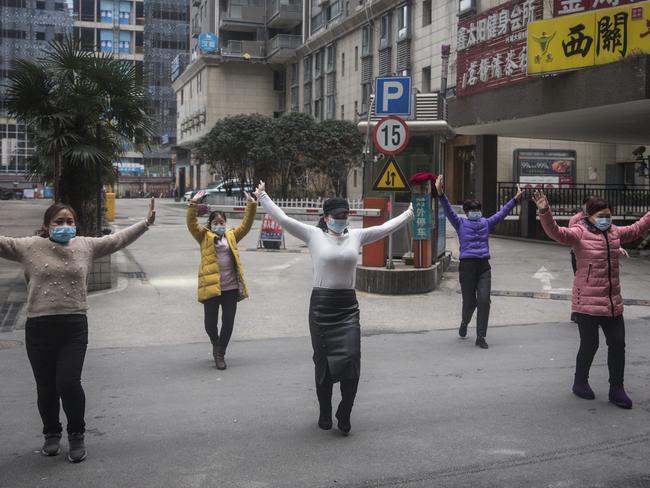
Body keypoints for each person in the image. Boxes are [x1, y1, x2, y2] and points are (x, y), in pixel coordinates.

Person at [0, 199, 155, 463]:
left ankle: (76, 435)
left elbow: (118, 240)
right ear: (47, 226)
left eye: (69, 221)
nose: (65, 226)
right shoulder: (30, 247)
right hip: (39, 326)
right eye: (58, 222)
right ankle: (51, 434)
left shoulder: (86, 246)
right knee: (46, 388)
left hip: (73, 327)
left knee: (68, 383)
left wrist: (146, 223)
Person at [254, 181, 413, 435]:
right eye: (337, 216)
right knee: (324, 364)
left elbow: (384, 228)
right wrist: (263, 196)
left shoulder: (357, 236)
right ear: (326, 217)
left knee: (352, 362)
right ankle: (325, 411)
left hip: (347, 308)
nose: (342, 220)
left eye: (345, 216)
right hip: (321, 307)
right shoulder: (313, 235)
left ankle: (345, 410)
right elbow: (283, 219)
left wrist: (409, 213)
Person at [533, 191, 650, 409]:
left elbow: (636, 229)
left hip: (613, 301)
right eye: (601, 216)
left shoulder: (614, 232)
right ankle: (580, 382)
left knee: (617, 344)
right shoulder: (579, 232)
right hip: (586, 301)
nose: (606, 219)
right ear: (590, 217)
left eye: (608, 215)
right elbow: (556, 232)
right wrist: (544, 211)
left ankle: (617, 388)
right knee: (590, 344)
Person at [435, 176, 523, 349]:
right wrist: (440, 193)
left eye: (478, 209)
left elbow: (502, 213)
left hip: (484, 267)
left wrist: (515, 199)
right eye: (473, 210)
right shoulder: (460, 223)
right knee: (470, 302)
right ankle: (464, 322)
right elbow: (448, 210)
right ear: (467, 212)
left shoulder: (486, 223)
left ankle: (481, 336)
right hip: (467, 267)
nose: (476, 212)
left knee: (484, 300)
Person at [186, 190, 257, 370]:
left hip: (230, 288)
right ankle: (215, 342)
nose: (219, 225)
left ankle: (220, 353)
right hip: (211, 288)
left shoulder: (232, 236)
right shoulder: (203, 236)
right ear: (210, 224)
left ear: (225, 224)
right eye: (216, 222)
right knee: (210, 324)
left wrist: (251, 204)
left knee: (228, 321)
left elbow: (246, 225)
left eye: (222, 222)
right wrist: (193, 203)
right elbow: (191, 223)